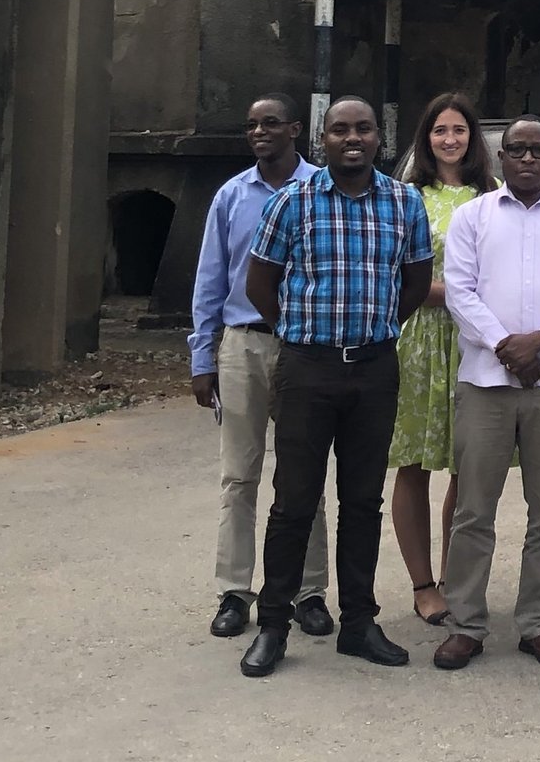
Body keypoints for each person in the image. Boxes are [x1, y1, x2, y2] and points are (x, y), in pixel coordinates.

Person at [237, 96, 433, 677]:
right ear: (322, 138)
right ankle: (273, 624)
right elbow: (259, 284)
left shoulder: (404, 203)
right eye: (341, 129)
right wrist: (299, 332)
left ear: (380, 137)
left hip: (374, 370)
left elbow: (416, 282)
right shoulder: (291, 202)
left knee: (363, 501)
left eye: (364, 129)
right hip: (306, 369)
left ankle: (359, 623)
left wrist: (376, 330)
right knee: (294, 501)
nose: (354, 138)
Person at [434, 117, 540, 671]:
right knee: (473, 509)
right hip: (486, 382)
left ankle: (538, 623)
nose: (528, 159)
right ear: (501, 158)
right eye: (517, 150)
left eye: (538, 151)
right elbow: (459, 290)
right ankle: (466, 624)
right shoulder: (472, 217)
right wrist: (506, 346)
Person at [188, 93, 334, 641]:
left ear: (296, 128)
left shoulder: (323, 191)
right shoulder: (231, 196)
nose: (260, 132)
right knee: (239, 474)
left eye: (270, 123)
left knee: (305, 476)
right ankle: (233, 591)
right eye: (251, 125)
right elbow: (210, 280)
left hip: (304, 347)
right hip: (243, 344)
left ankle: (309, 591)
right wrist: (202, 358)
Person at [388, 93, 494, 626]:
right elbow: (393, 272)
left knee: (467, 465)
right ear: (424, 139)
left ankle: (458, 576)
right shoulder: (405, 198)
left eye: (459, 130)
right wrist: (454, 292)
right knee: (412, 463)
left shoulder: (491, 196)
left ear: (474, 139)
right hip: (418, 340)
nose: (450, 140)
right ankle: (422, 582)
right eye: (439, 131)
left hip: (475, 342)